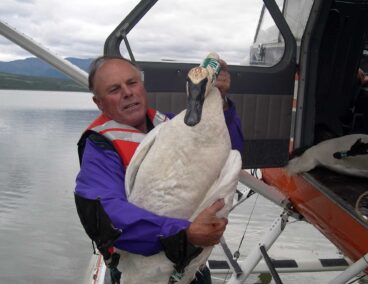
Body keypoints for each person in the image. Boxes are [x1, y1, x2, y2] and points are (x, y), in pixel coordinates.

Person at [74, 55, 244, 283]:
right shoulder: (100, 149)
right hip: (142, 271)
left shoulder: (170, 125)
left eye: (132, 83)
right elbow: (106, 215)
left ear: (142, 86)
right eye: (115, 89)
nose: (127, 92)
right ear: (99, 103)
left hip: (191, 264)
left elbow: (227, 152)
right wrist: (184, 233)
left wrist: (218, 100)